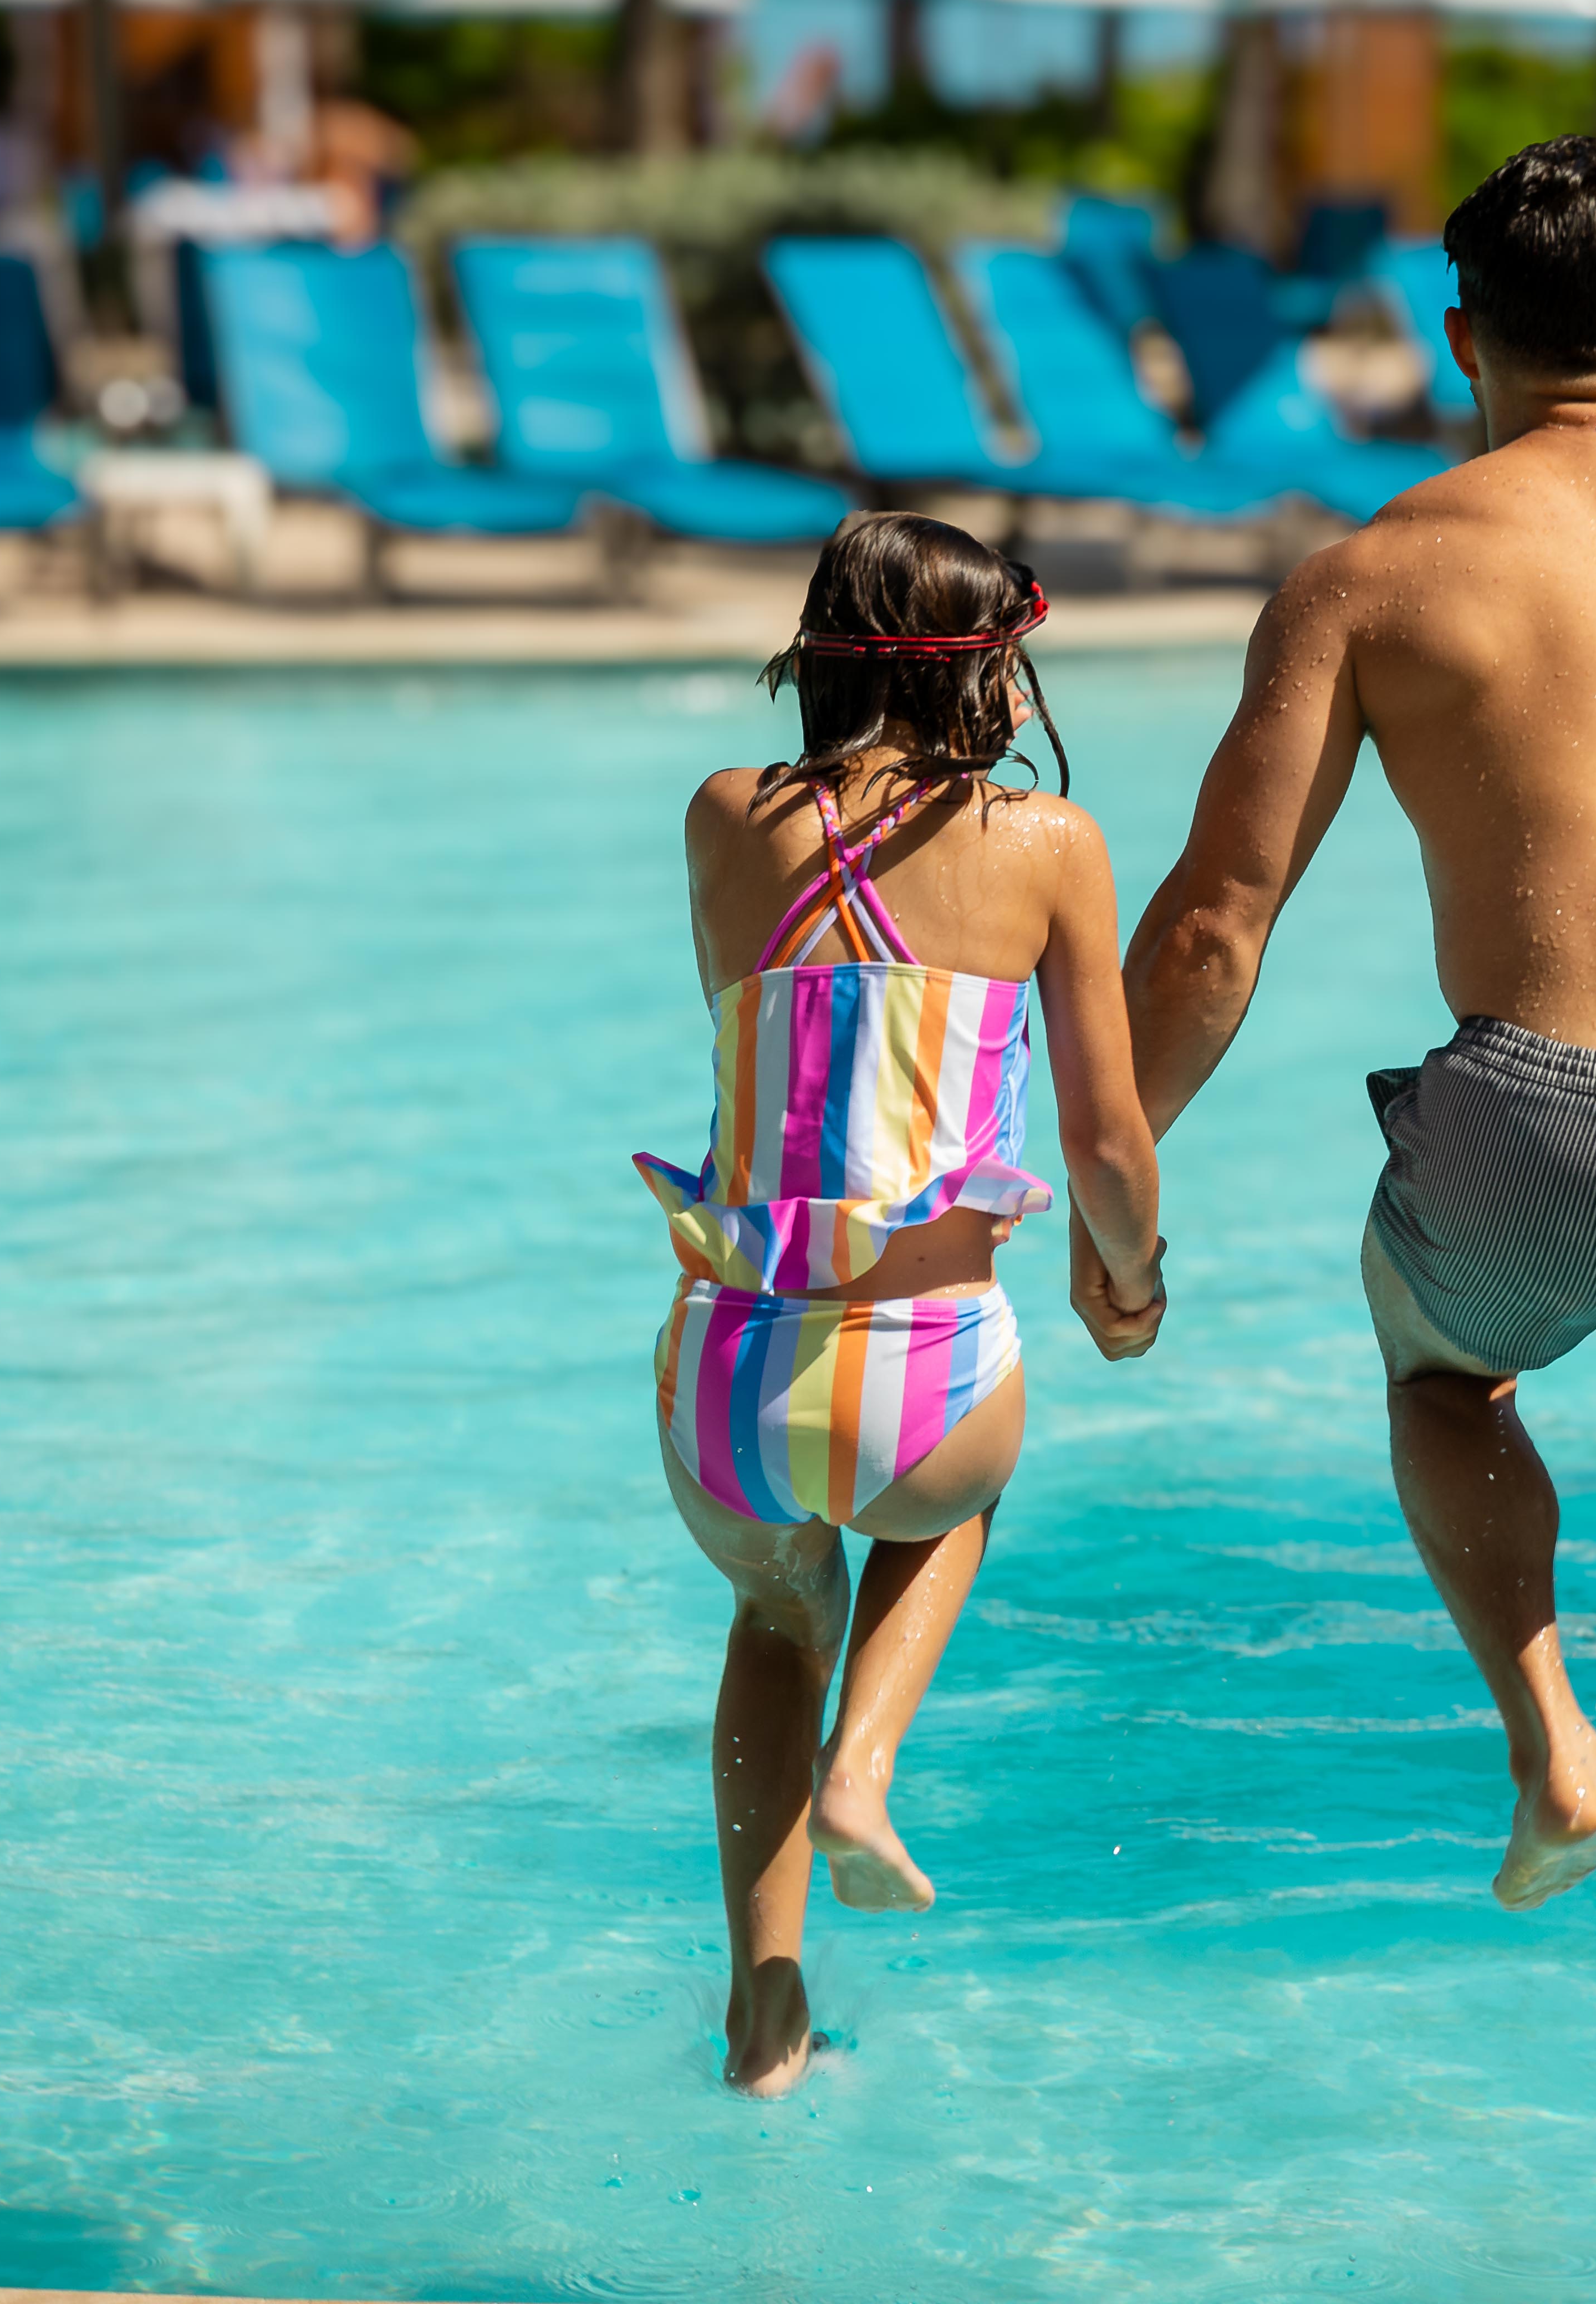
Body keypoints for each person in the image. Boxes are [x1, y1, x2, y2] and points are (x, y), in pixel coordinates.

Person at [1098, 137, 1596, 1913]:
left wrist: (1115, 1173)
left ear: (1460, 338)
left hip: (1526, 1125)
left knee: (1441, 1372)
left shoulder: (1364, 579)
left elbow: (1215, 932)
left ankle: (1550, 1735)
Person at [638, 513, 1166, 2096]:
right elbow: (1103, 1140)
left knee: (771, 1618)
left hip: (728, 1376)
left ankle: (764, 2011)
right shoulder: (1045, 845)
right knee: (945, 1509)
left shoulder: (723, 819)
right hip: (923, 1378)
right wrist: (1127, 1287)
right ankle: (869, 1772)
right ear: (983, 668)